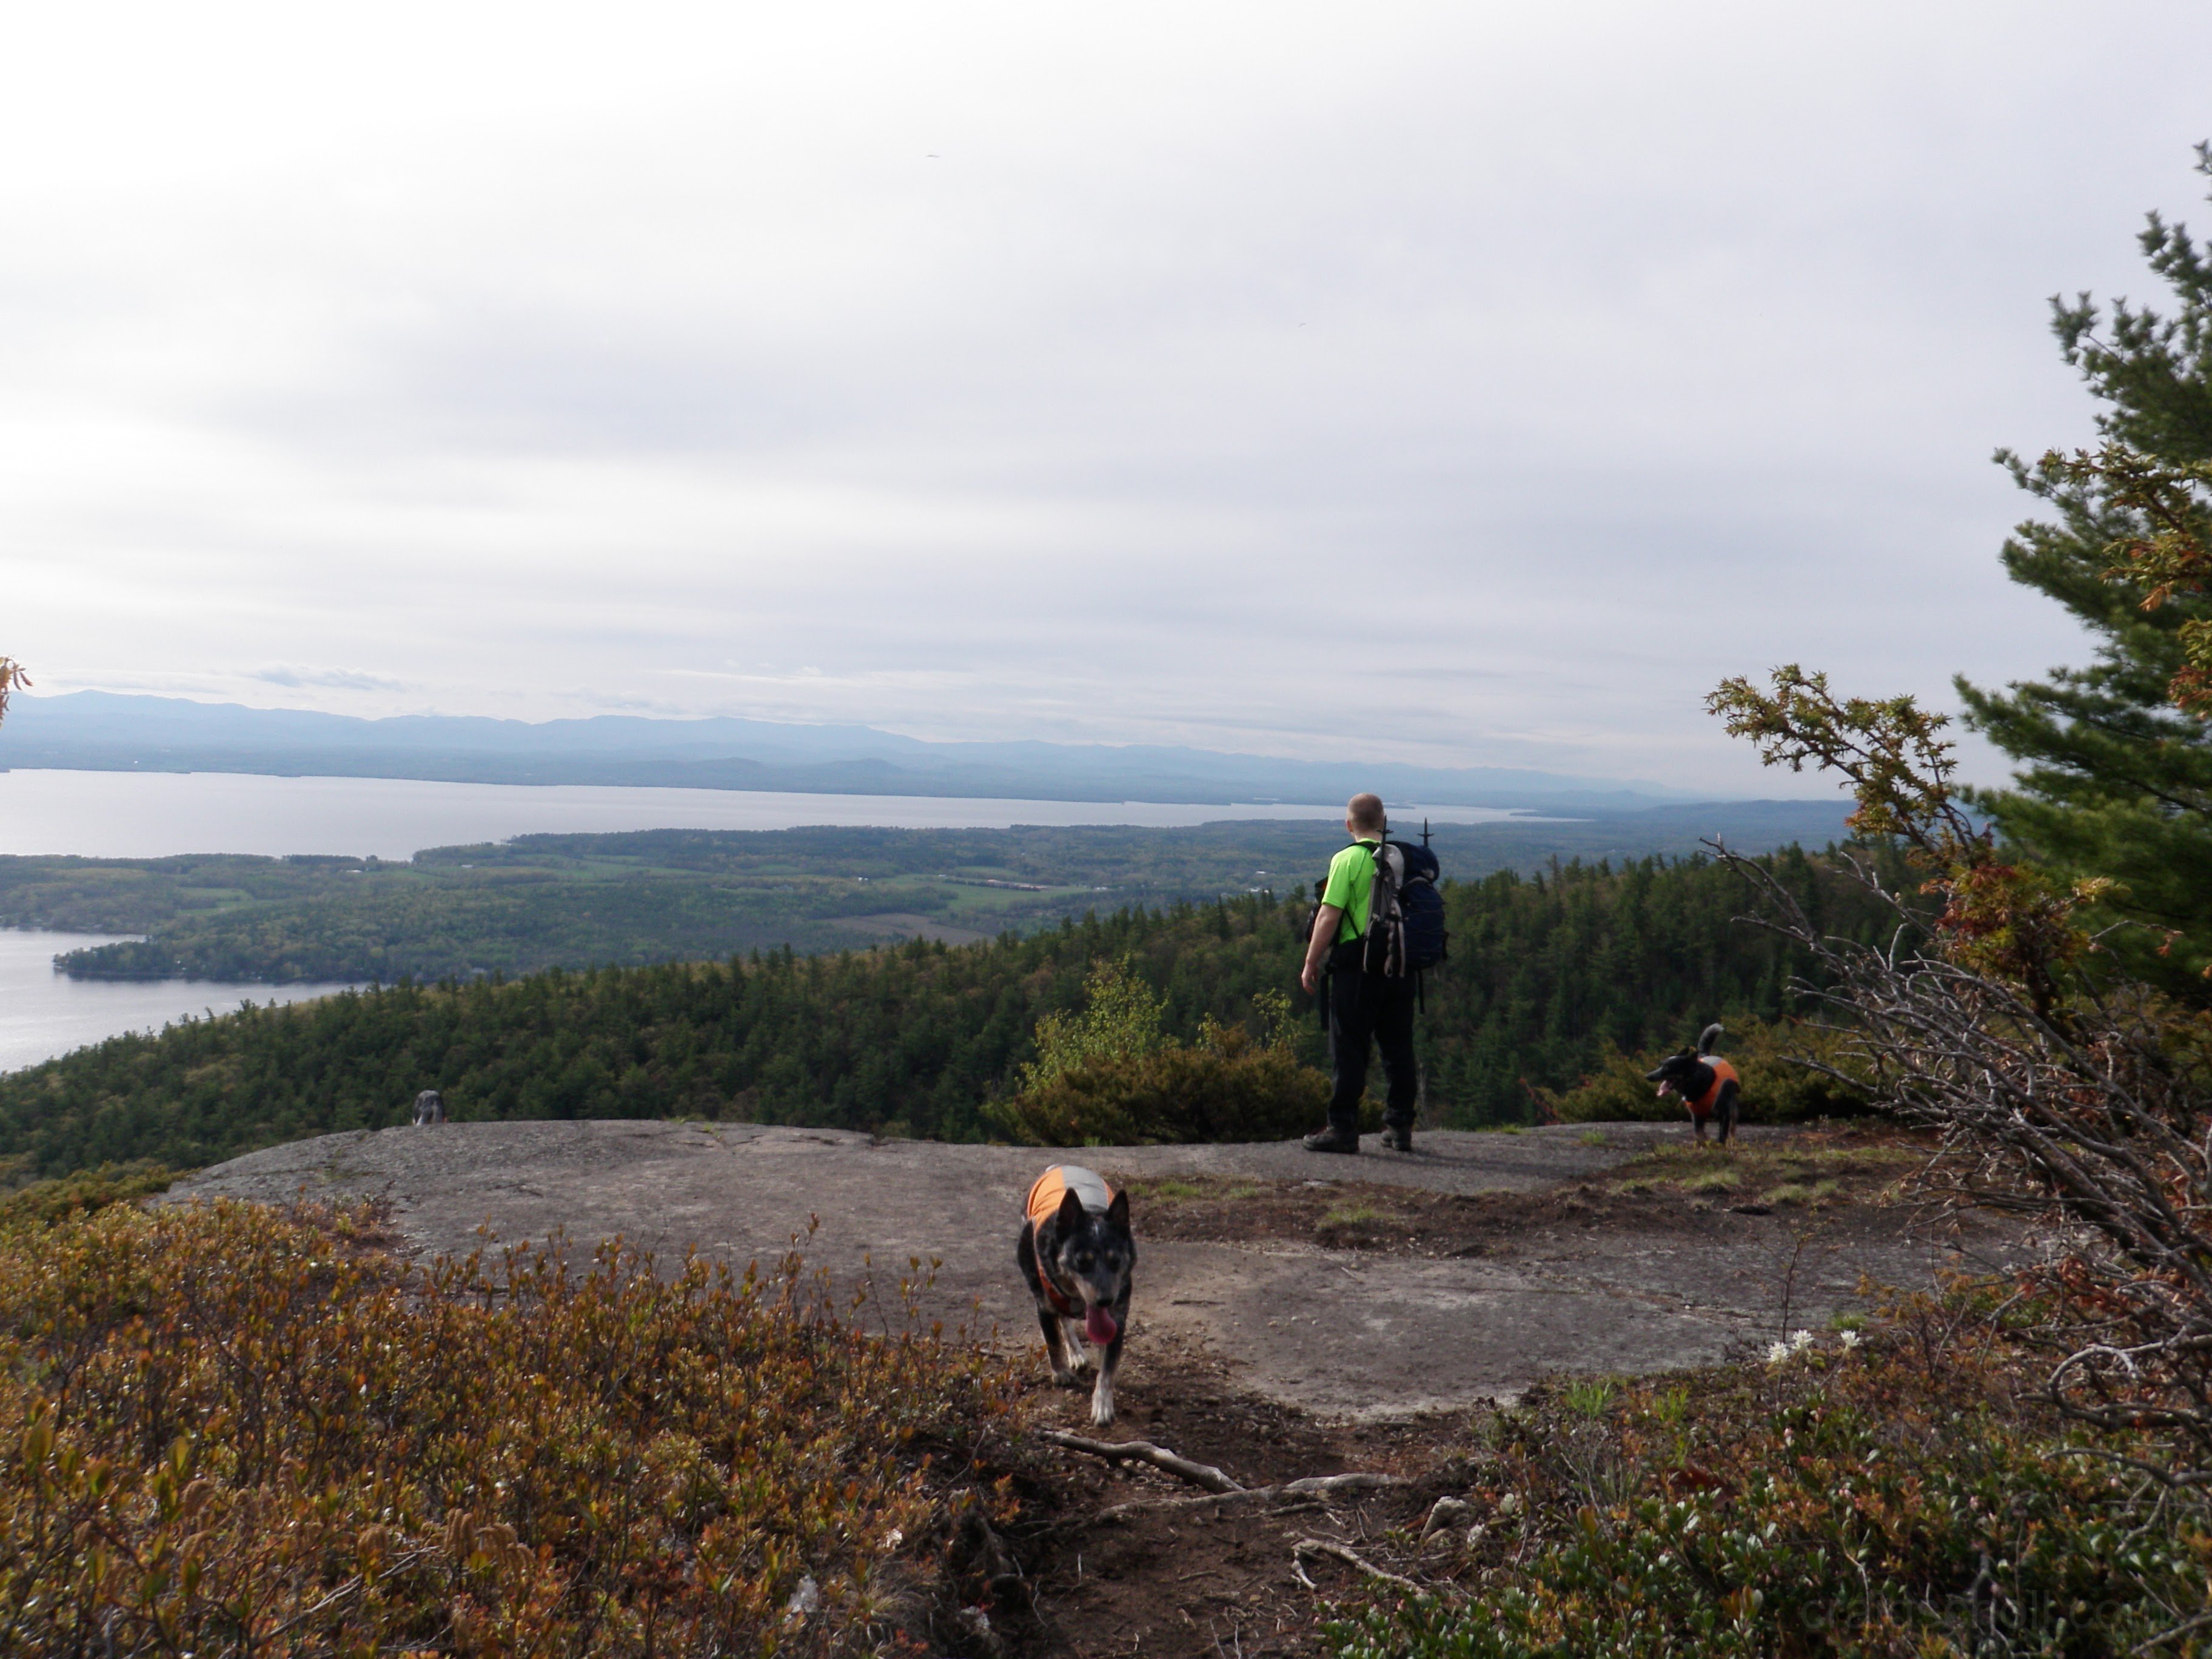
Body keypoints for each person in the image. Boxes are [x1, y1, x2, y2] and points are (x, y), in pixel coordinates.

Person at [1298, 793, 1418, 1154]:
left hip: (1357, 966)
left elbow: (1329, 915)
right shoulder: (1403, 859)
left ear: (1349, 824)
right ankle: (1400, 1126)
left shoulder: (1347, 859)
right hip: (1400, 964)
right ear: (1382, 822)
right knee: (1398, 1046)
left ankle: (1343, 1128)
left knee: (1349, 1047)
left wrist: (1311, 961)